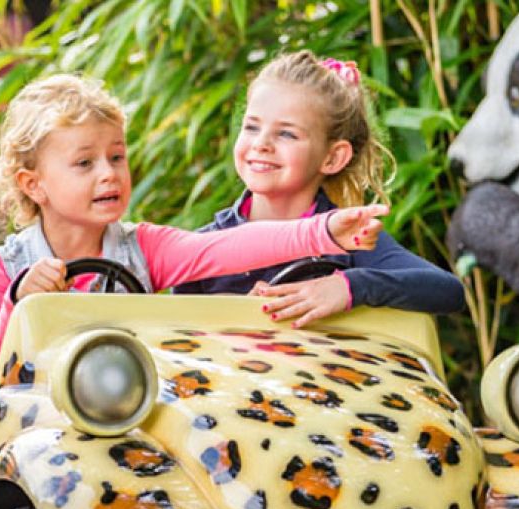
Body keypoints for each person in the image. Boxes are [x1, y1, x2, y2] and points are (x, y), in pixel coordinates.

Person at [0, 74, 390, 399]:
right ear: (34, 184)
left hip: (115, 423)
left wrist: (325, 231)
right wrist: (17, 301)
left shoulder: (142, 248)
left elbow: (227, 247)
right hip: (25, 432)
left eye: (116, 157)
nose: (109, 173)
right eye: (84, 163)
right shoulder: (2, 268)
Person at [176, 52, 464, 327]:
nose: (260, 143)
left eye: (286, 133)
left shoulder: (347, 238)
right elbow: (175, 345)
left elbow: (448, 291)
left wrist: (348, 287)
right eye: (251, 127)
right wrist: (234, 317)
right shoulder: (205, 246)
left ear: (332, 158)